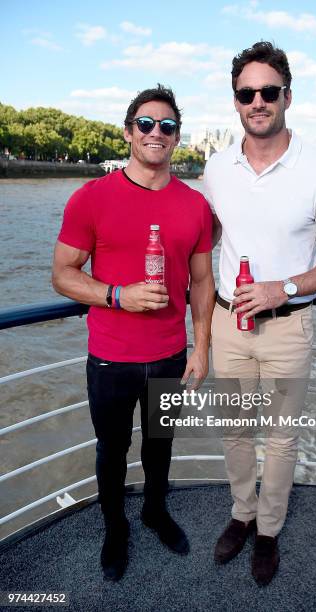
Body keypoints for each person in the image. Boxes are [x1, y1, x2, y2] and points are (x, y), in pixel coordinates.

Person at [203, 42, 316, 586]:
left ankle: (268, 530)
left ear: (287, 97)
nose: (258, 101)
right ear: (236, 102)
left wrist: (284, 287)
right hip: (227, 323)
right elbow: (211, 237)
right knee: (236, 430)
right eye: (247, 93)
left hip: (288, 326)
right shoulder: (217, 166)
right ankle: (241, 514)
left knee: (282, 436)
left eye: (269, 91)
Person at [52, 84, 214, 581]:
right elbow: (63, 273)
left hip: (169, 353)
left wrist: (201, 347)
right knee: (112, 448)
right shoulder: (91, 197)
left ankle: (155, 511)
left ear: (177, 138)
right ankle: (115, 526)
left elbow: (203, 280)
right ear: (128, 132)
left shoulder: (194, 205)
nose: (156, 133)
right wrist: (118, 295)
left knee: (160, 443)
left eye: (166, 125)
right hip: (110, 356)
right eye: (145, 123)